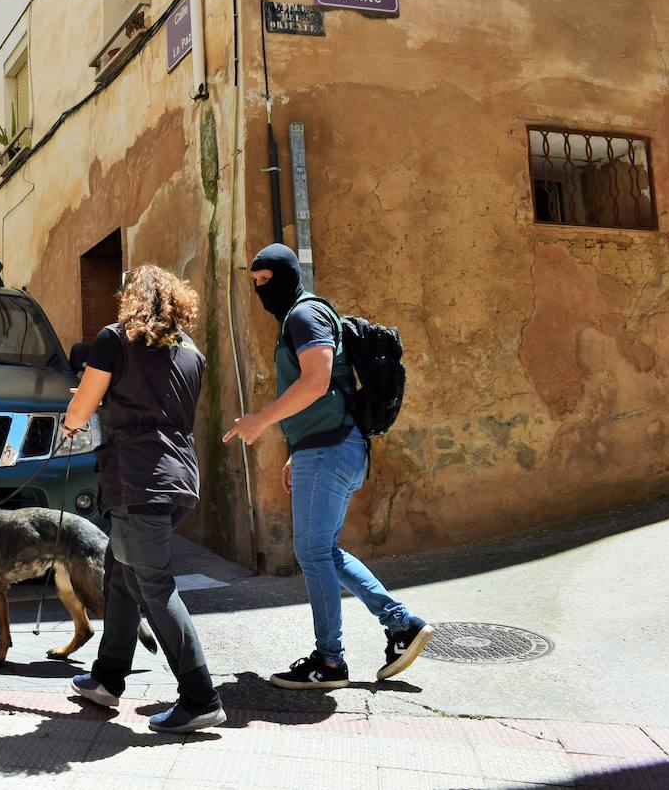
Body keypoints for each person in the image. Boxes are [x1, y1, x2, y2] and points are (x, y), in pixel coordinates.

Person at [223, 243, 431, 689]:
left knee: (314, 552)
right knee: (324, 551)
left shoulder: (304, 316)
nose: (260, 290)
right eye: (254, 282)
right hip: (325, 448)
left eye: (266, 281)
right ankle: (401, 626)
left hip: (332, 447)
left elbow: (317, 383)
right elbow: (323, 389)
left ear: (286, 275)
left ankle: (330, 662)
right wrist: (295, 451)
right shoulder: (299, 316)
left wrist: (261, 421)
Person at [65, 265, 225, 734]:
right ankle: (107, 679)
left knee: (152, 584)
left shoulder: (114, 339)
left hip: (138, 480)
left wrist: (82, 408)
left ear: (130, 298)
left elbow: (80, 410)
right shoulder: (192, 352)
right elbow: (158, 404)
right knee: (120, 573)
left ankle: (201, 697)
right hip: (177, 479)